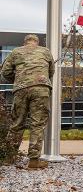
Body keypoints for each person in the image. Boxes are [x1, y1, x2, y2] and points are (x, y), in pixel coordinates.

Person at [1, 34, 54, 169]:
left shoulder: (16, 51)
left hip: (21, 90)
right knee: (37, 124)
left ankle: (8, 157)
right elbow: (51, 72)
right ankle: (34, 160)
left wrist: (19, 79)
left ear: (24, 43)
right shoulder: (45, 51)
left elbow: (5, 72)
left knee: (17, 123)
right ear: (37, 42)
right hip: (41, 89)